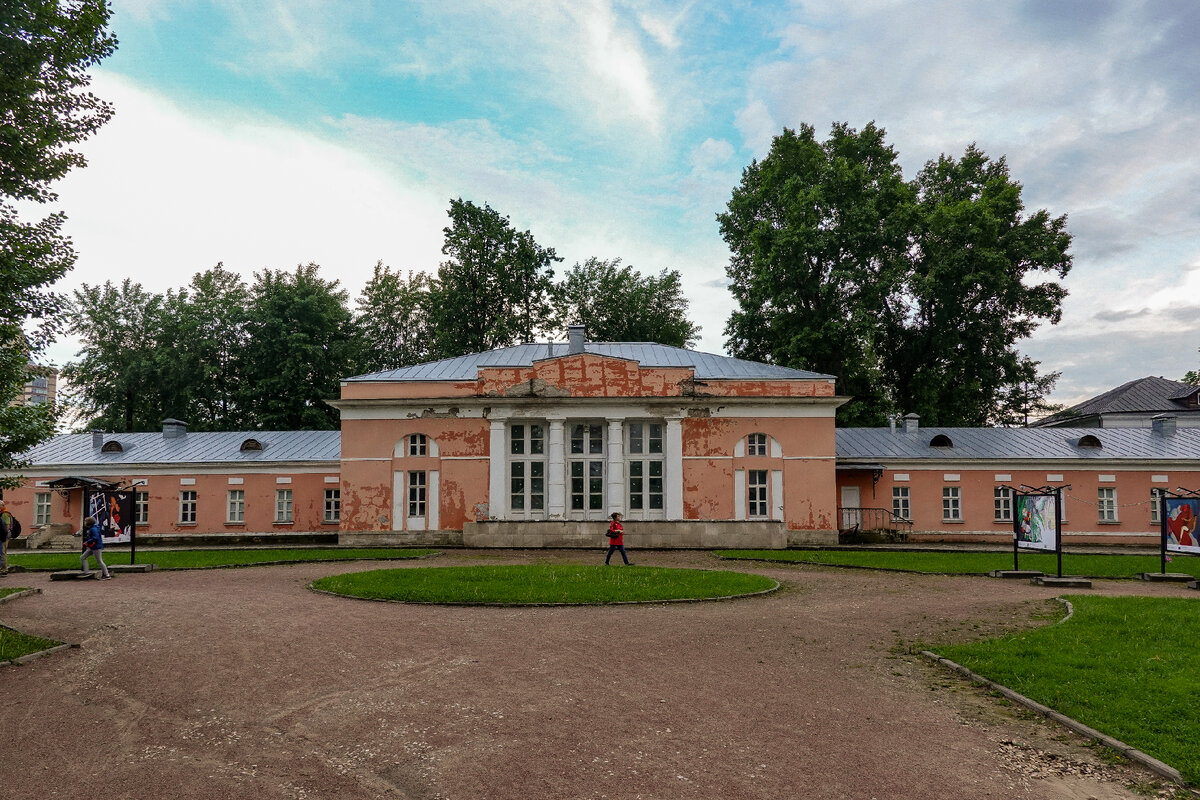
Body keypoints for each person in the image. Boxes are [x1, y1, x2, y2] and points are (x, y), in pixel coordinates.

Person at [0, 501, 12, 575]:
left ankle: (4, 569)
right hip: (3, 535)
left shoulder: (5, 514)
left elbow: (7, 526)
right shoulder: (2, 513)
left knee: (2, 552)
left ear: (2, 505)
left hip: (4, 535)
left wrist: (4, 535)